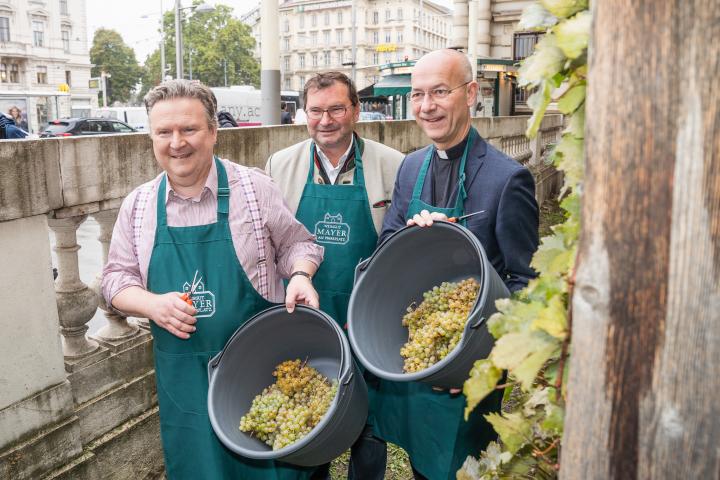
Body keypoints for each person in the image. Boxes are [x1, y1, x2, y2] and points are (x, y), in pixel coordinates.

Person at [101, 79, 324, 480]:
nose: (176, 143)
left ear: (213, 132)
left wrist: (300, 276)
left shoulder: (254, 189)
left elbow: (298, 245)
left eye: (189, 129)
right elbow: (116, 279)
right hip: (185, 388)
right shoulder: (138, 206)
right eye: (164, 132)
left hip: (262, 374)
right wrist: (151, 304)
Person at [376, 49, 539, 480]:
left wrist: (480, 364)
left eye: (439, 92)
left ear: (470, 94)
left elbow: (525, 284)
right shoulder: (410, 168)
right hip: (418, 354)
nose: (426, 106)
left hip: (469, 367)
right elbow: (385, 250)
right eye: (417, 95)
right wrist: (411, 239)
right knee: (419, 463)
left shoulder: (507, 179)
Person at [266, 71, 404, 480]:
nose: (325, 120)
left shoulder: (392, 164)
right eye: (315, 110)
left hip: (369, 315)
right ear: (304, 114)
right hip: (307, 313)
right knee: (311, 412)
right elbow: (275, 240)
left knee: (369, 422)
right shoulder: (280, 165)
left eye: (337, 109)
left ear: (356, 111)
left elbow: (399, 246)